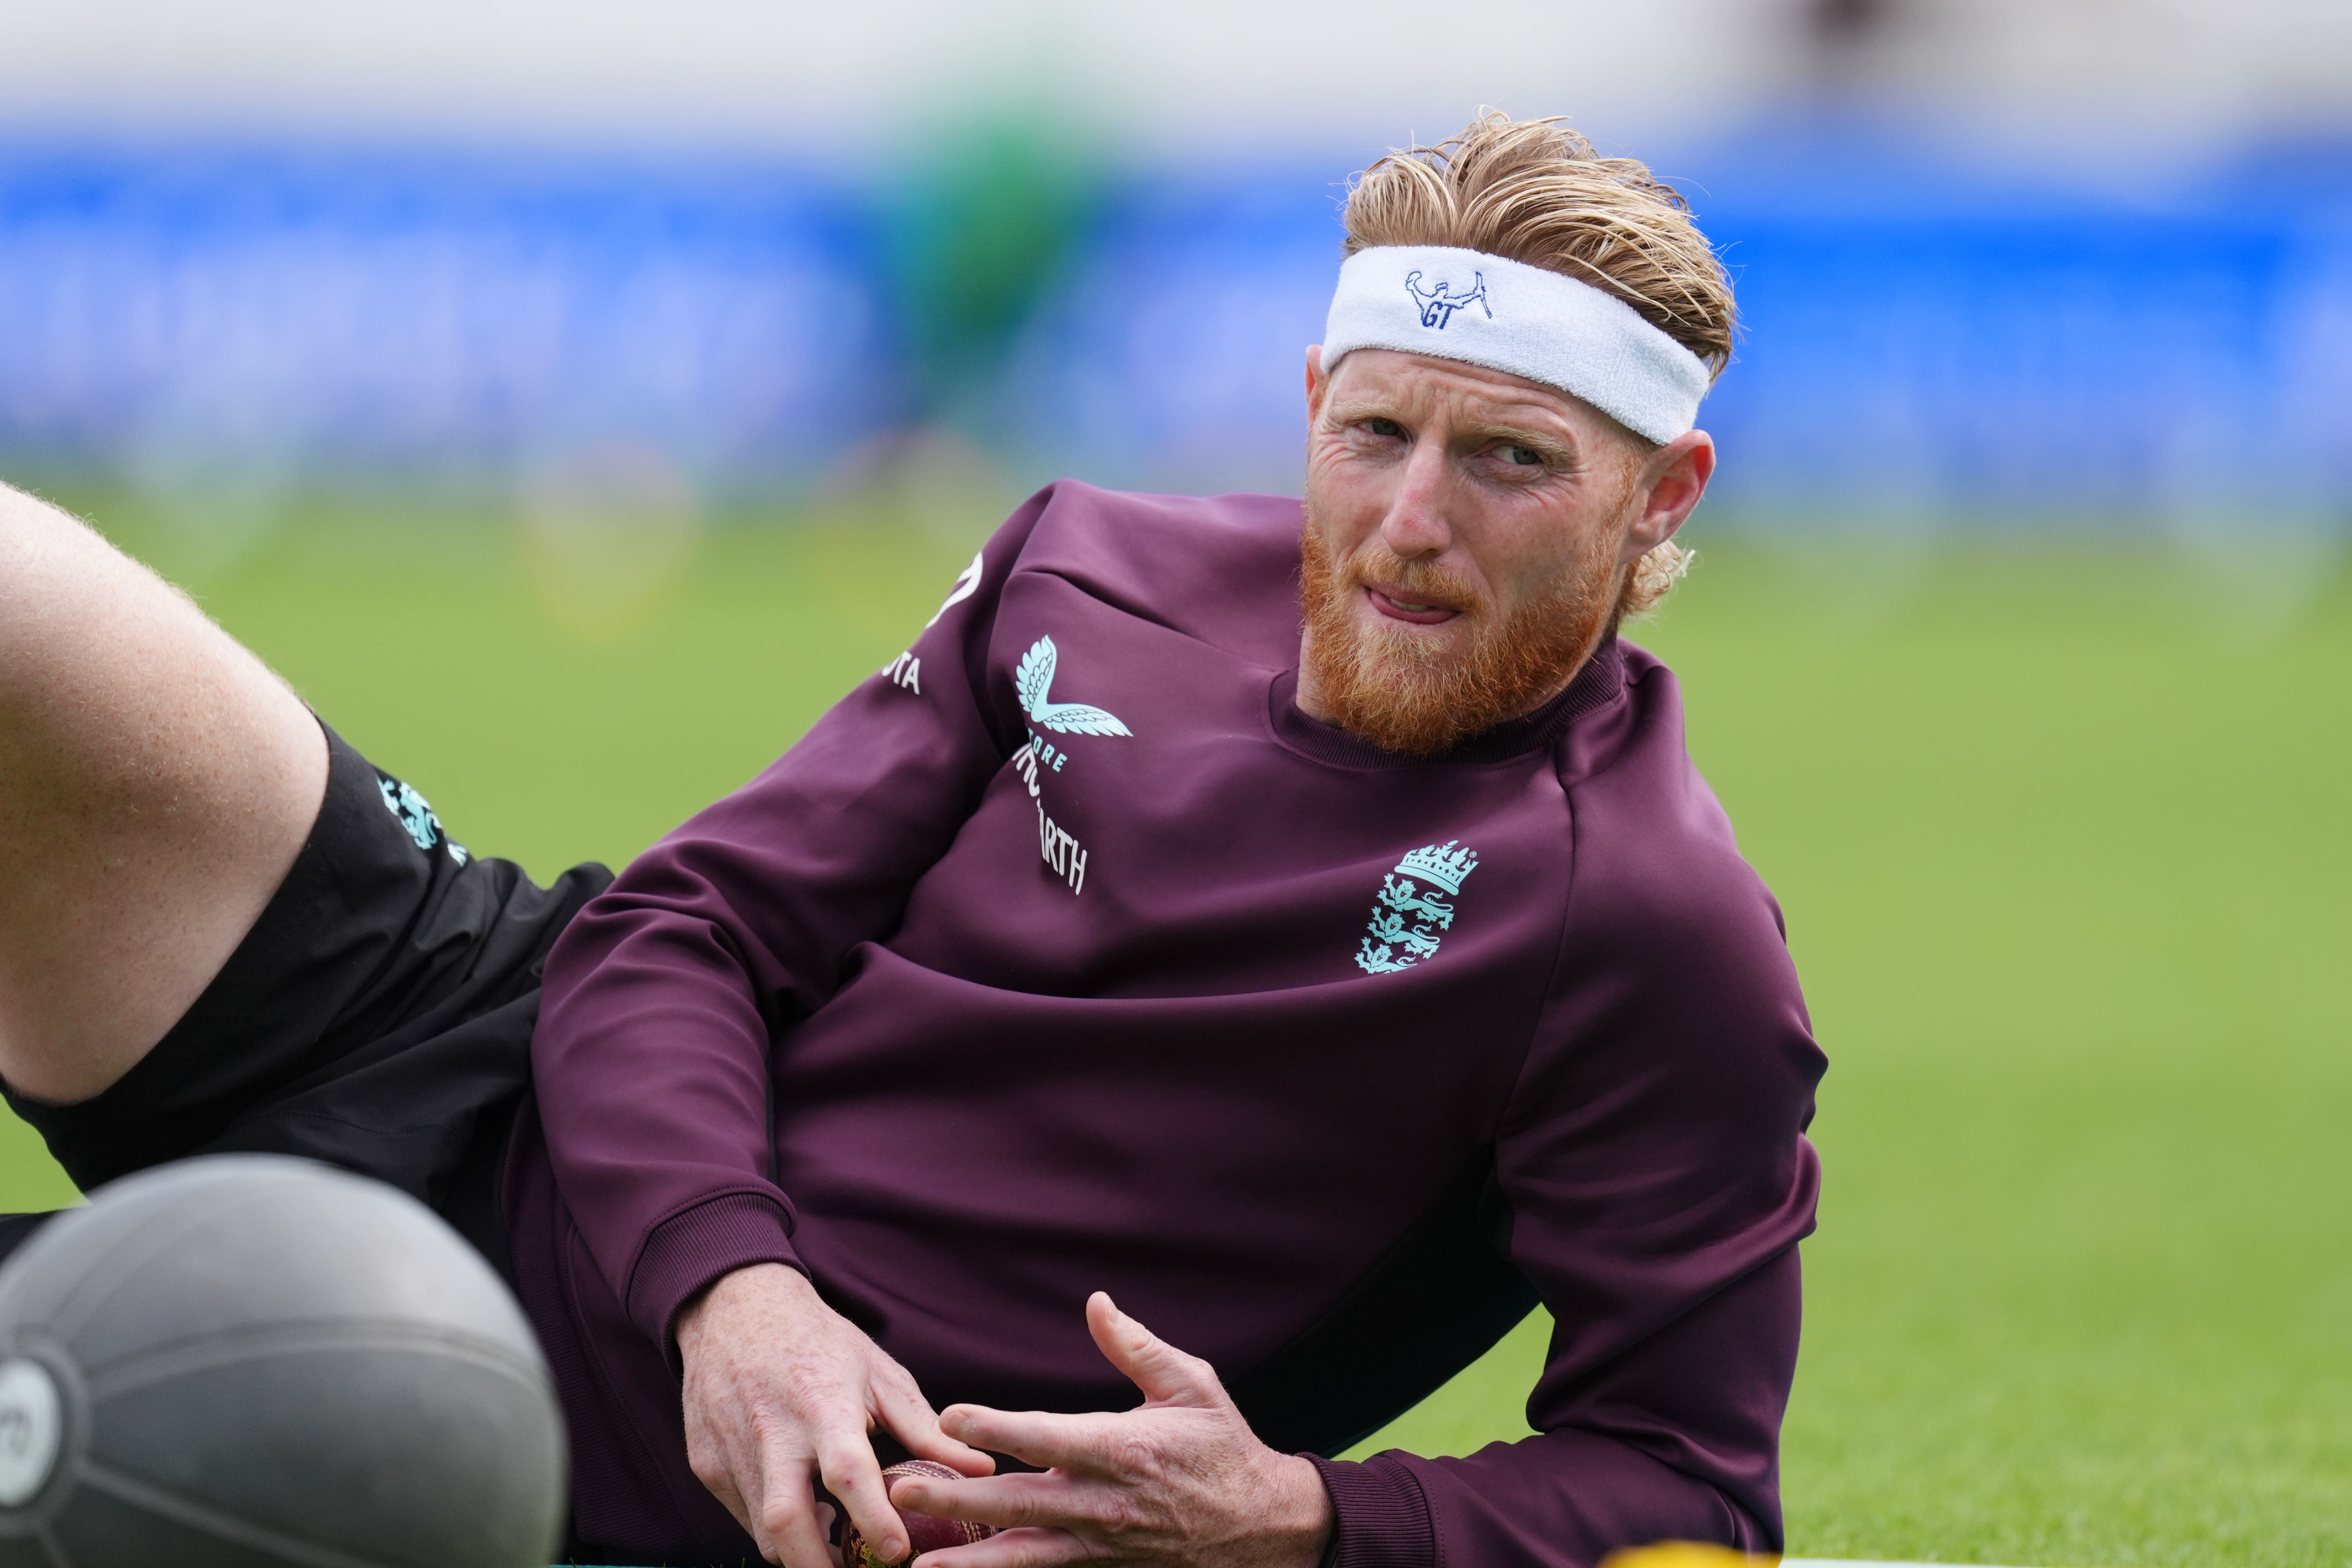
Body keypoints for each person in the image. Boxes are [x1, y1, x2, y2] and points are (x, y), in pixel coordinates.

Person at [0, 112, 1822, 1568]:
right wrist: (736, 1285)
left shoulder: (1650, 927)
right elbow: (681, 929)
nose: (1410, 523)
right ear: (1312, 406)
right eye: (1375, 433)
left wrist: (1292, 1516)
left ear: (1663, 494)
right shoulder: (1089, 558)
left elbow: (1685, 1488)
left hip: (535, 1406)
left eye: (1510, 462)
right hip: (487, 1030)